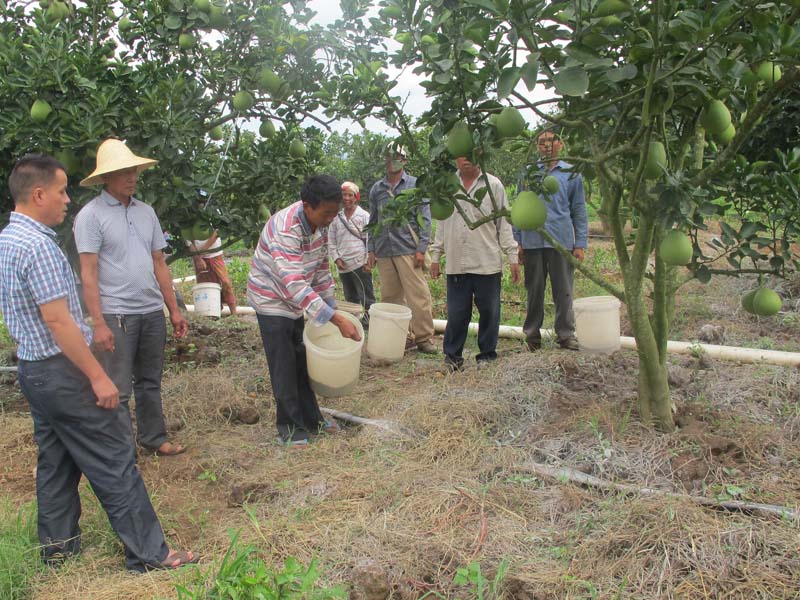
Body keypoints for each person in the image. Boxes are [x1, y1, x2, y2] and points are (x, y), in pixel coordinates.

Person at [0, 154, 195, 572]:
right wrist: (96, 375)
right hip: (62, 371)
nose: (66, 199)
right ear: (38, 194)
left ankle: (59, 549)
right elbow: (58, 320)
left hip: (34, 372)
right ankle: (150, 553)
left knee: (56, 461)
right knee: (113, 457)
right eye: (60, 191)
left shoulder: (9, 240)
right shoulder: (38, 246)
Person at [73, 139, 189, 456]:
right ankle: (121, 450)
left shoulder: (146, 212)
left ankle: (153, 437)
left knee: (150, 382)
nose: (131, 177)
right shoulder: (91, 216)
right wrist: (98, 323)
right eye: (124, 172)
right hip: (117, 314)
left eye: (134, 170)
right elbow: (89, 272)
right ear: (106, 177)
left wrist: (174, 309)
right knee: (118, 387)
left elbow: (159, 263)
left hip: (151, 311)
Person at [247, 174, 361, 447]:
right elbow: (294, 282)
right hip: (271, 298)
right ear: (307, 206)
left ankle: (313, 418)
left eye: (334, 213)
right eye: (327, 213)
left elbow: (321, 268)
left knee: (301, 360)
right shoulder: (286, 228)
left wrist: (330, 303)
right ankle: (289, 427)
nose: (331, 218)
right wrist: (334, 319)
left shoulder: (321, 224)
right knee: (284, 364)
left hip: (296, 301)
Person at [429, 158, 520, 371]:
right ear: (455, 158)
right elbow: (442, 223)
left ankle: (487, 356)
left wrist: (512, 256)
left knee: (490, 311)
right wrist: (435, 255)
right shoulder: (448, 187)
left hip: (486, 262)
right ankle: (452, 358)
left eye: (471, 153)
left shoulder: (493, 185)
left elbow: (504, 223)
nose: (466, 159)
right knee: (457, 313)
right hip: (456, 263)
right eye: (461, 154)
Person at [514, 130, 588, 351]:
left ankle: (565, 334)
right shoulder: (527, 174)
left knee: (563, 290)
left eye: (551, 140)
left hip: (561, 240)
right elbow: (518, 205)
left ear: (560, 144)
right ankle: (532, 336)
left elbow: (578, 209)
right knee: (534, 290)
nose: (546, 145)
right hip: (533, 241)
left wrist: (580, 243)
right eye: (541, 141)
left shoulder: (570, 173)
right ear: (537, 146)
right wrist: (518, 240)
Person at [366, 143, 436, 354]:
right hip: (384, 250)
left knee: (418, 295)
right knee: (390, 297)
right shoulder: (377, 189)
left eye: (396, 156)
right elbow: (373, 220)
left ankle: (424, 338)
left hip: (408, 249)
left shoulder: (415, 185)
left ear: (404, 160)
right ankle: (402, 336)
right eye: (388, 156)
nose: (391, 160)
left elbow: (425, 219)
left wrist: (422, 249)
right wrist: (371, 249)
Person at [327, 181, 375, 324]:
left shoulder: (364, 216)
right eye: (344, 195)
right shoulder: (336, 218)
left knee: (366, 295)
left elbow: (370, 239)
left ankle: (368, 322)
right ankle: (353, 321)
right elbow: (331, 240)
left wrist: (368, 261)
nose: (347, 198)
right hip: (343, 265)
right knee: (350, 296)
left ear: (356, 197)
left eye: (350, 195)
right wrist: (336, 259)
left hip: (360, 262)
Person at [187, 228, 238, 316]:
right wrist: (198, 258)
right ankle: (213, 313)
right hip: (197, 256)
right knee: (205, 286)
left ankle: (234, 314)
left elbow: (216, 233)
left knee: (225, 283)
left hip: (214, 254)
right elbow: (189, 241)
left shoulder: (211, 216)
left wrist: (201, 255)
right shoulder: (187, 220)